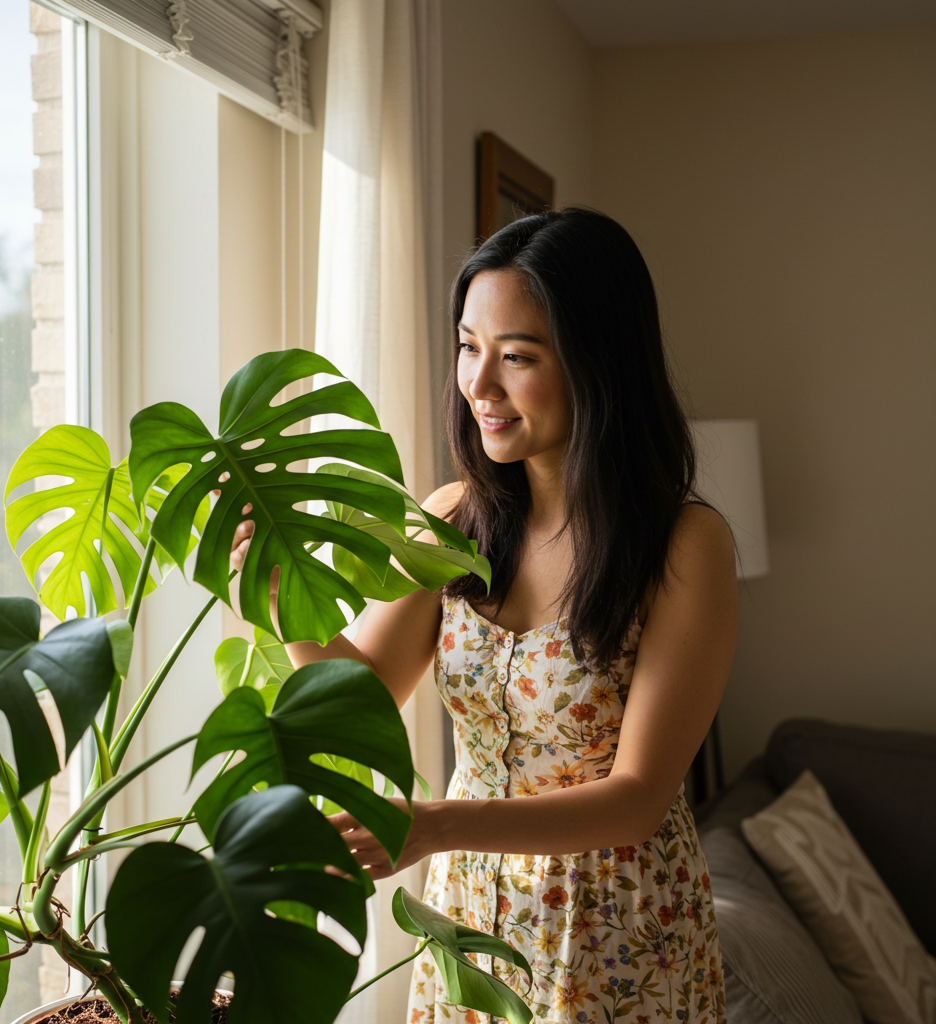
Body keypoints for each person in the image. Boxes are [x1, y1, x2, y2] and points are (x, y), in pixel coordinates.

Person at [232, 207, 737, 1024]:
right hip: (470, 917)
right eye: (469, 347)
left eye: (517, 357)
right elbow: (359, 693)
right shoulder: (453, 517)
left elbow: (638, 796)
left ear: (598, 363)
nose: (479, 385)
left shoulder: (684, 544)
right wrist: (276, 592)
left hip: (617, 936)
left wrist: (432, 825)